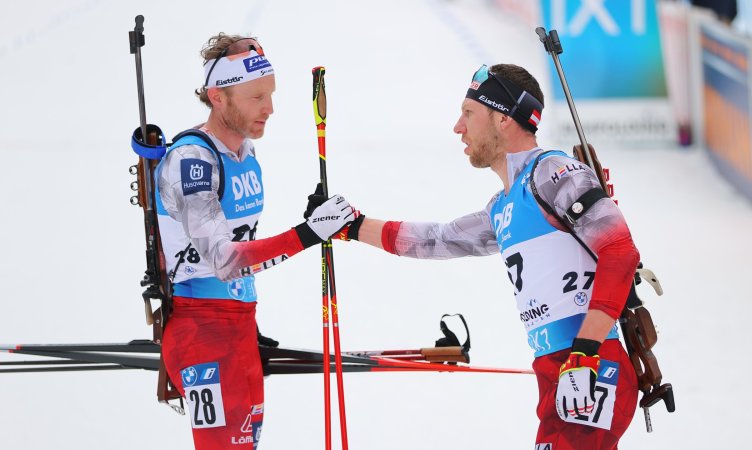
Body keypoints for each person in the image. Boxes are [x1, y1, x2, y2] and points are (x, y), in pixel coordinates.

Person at [338, 64, 640, 449]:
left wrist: (585, 353)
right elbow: (439, 239)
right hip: (558, 367)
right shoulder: (504, 206)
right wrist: (352, 225)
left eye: (468, 113)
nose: (457, 127)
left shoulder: (553, 172)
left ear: (502, 118)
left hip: (591, 364)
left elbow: (620, 250)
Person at [155, 33, 357, 450]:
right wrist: (306, 235)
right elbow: (224, 261)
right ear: (218, 97)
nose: (269, 108)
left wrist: (247, 315)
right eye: (255, 97)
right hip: (202, 332)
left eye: (270, 94)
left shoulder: (243, 151)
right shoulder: (193, 161)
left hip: (238, 327)